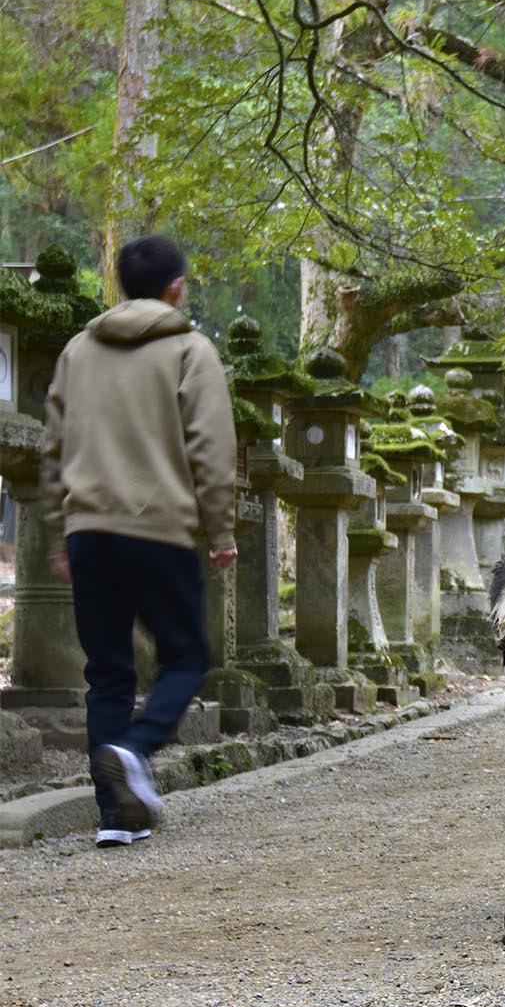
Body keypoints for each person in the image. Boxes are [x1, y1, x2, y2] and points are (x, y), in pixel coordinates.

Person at [43, 235, 238, 848]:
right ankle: (133, 749)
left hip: (89, 531)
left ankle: (115, 816)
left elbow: (52, 447)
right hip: (158, 530)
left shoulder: (79, 350)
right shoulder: (189, 349)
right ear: (176, 287)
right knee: (184, 657)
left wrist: (59, 528)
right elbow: (211, 448)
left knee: (107, 674)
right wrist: (221, 530)